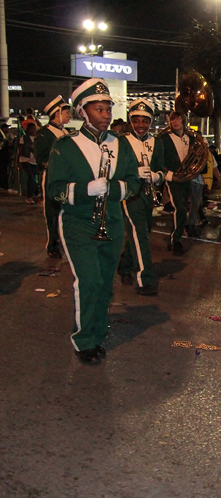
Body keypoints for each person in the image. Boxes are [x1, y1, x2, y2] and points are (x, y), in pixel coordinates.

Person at [45, 78, 140, 365]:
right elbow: (54, 189)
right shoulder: (66, 145)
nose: (106, 115)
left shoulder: (120, 144)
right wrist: (86, 189)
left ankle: (98, 333)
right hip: (78, 221)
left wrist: (112, 189)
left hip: (111, 220)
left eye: (108, 109)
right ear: (82, 112)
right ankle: (84, 340)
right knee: (89, 280)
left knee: (104, 283)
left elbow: (134, 183)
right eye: (98, 109)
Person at [118, 99, 166, 296]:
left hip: (147, 194)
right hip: (130, 194)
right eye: (136, 121)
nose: (140, 125)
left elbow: (162, 169)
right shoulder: (121, 141)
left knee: (141, 232)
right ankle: (145, 278)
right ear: (131, 121)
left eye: (144, 121)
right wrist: (134, 172)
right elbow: (115, 169)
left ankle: (124, 264)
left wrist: (156, 177)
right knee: (141, 234)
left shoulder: (157, 142)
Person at [34, 96, 72, 258]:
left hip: (68, 179)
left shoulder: (66, 133)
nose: (70, 116)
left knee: (67, 212)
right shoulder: (44, 134)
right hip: (52, 177)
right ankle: (52, 244)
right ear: (57, 113)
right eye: (67, 112)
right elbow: (41, 159)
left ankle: (65, 241)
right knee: (52, 212)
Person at [161, 111, 197, 256]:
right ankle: (176, 241)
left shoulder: (190, 139)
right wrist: (169, 175)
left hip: (186, 178)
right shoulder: (164, 138)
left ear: (183, 120)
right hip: (173, 178)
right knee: (180, 209)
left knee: (183, 209)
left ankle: (174, 237)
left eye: (177, 119)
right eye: (172, 120)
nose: (174, 122)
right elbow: (160, 159)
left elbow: (196, 158)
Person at [19, 119, 38, 204]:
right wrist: (18, 160)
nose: (34, 130)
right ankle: (29, 196)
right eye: (32, 128)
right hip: (25, 160)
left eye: (35, 128)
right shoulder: (24, 138)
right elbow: (20, 149)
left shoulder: (38, 138)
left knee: (34, 178)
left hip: (35, 161)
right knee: (31, 177)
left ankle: (35, 192)